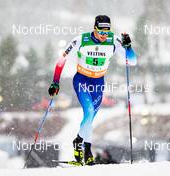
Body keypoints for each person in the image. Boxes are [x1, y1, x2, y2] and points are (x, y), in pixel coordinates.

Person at [48, 15, 137, 165]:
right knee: (88, 112)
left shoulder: (113, 40)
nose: (104, 36)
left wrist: (128, 48)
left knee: (90, 120)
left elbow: (132, 61)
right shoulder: (81, 40)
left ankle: (85, 148)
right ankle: (81, 146)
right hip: (82, 80)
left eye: (106, 32)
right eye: (101, 32)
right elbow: (61, 60)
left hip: (98, 83)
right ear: (94, 29)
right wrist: (55, 82)